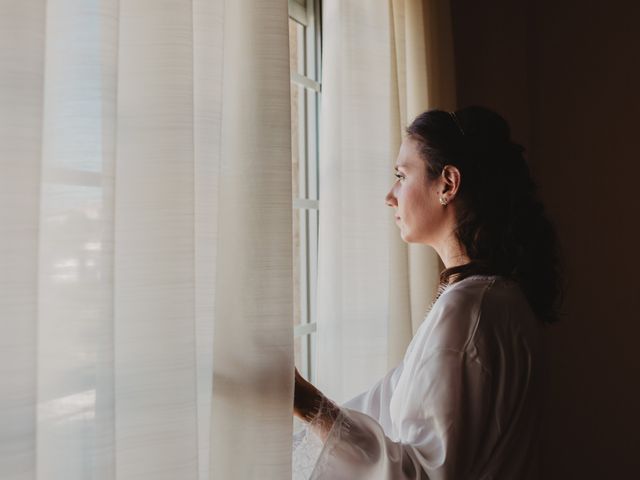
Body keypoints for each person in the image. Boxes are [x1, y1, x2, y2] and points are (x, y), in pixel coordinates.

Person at [292, 106, 563, 479]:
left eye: (402, 176)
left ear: (448, 184)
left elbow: (419, 472)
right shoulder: (499, 296)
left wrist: (304, 402)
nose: (391, 195)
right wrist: (302, 404)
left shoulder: (470, 309)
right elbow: (383, 404)